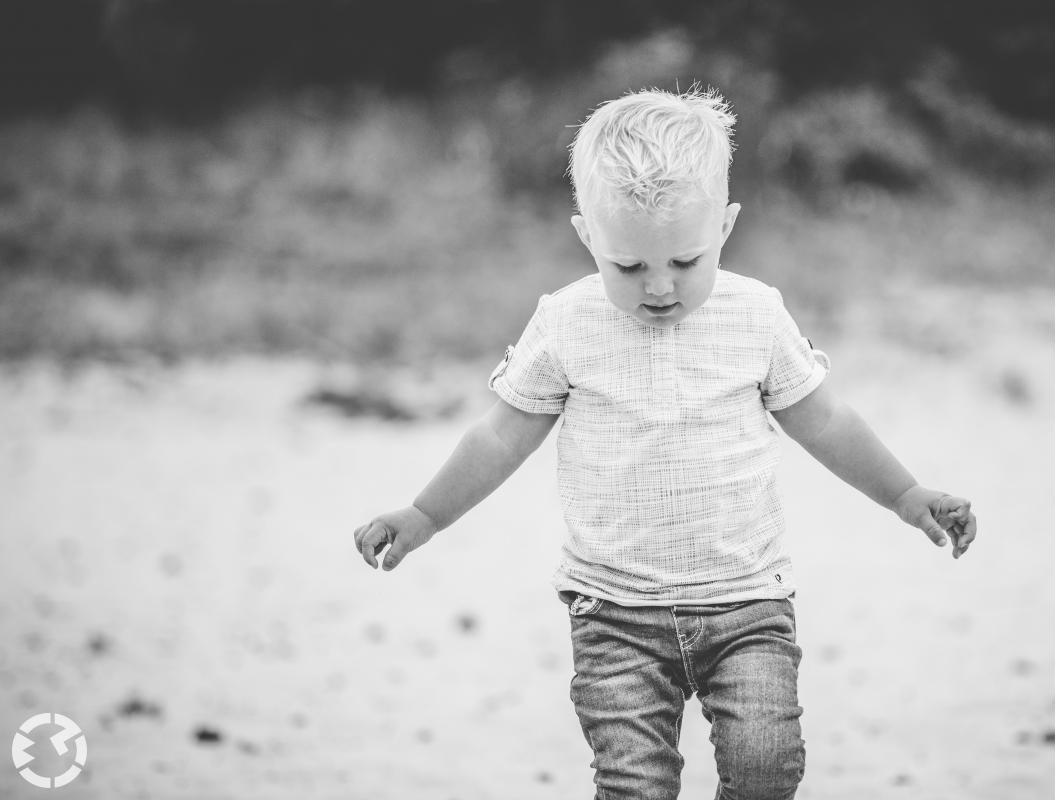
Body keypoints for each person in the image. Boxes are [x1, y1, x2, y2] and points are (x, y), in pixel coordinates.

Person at [352, 86, 977, 800]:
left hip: (747, 604)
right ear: (588, 236)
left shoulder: (756, 315)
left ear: (726, 227)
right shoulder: (567, 323)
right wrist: (424, 515)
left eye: (685, 262)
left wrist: (905, 495)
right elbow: (500, 435)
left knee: (767, 767)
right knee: (634, 786)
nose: (658, 287)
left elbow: (827, 420)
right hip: (614, 613)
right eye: (628, 267)